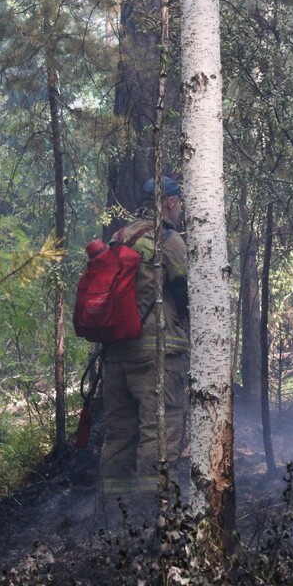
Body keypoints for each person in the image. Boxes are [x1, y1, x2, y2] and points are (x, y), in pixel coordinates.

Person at [100, 176, 190, 503]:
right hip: (158, 356)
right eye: (179, 202)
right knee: (160, 433)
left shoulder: (118, 238)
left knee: (120, 435)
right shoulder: (167, 239)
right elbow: (188, 292)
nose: (180, 209)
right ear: (168, 202)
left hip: (116, 355)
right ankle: (155, 514)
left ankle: (114, 515)